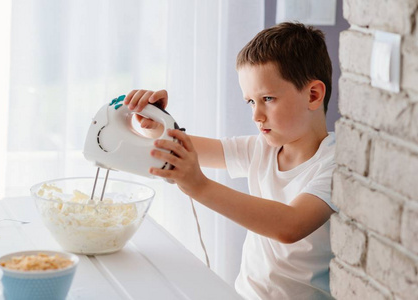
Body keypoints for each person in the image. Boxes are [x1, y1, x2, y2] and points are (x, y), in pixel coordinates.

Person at [124, 22, 336, 299]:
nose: (256, 115)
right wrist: (157, 124)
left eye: (267, 98)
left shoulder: (335, 164)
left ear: (313, 95)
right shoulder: (261, 148)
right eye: (250, 102)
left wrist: (199, 186)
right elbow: (188, 146)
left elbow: (290, 225)